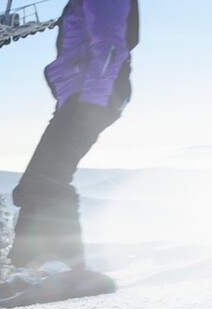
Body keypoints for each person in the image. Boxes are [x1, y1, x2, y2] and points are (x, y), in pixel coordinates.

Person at [9, 0, 138, 272]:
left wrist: (91, 102)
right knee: (31, 186)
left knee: (49, 179)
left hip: (93, 97)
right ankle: (27, 268)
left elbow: (111, 44)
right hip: (79, 98)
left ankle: (65, 266)